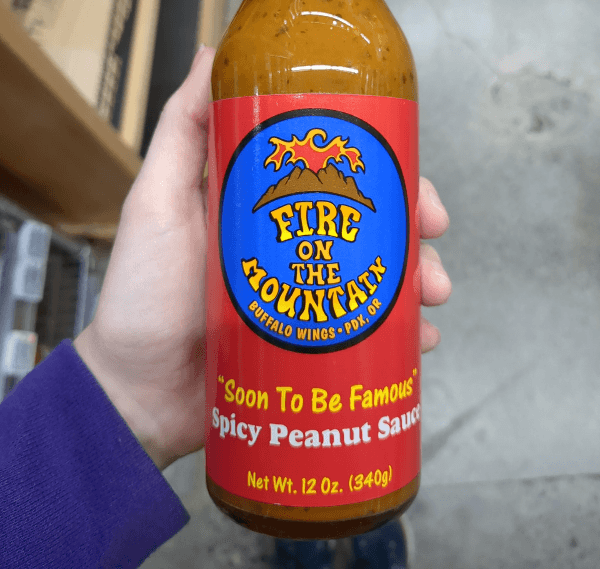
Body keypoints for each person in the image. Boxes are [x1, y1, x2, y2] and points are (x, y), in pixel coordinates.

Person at [0, 46, 452, 568]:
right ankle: (305, 540)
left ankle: (308, 540)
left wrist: (120, 398)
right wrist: (124, 393)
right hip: (243, 425)